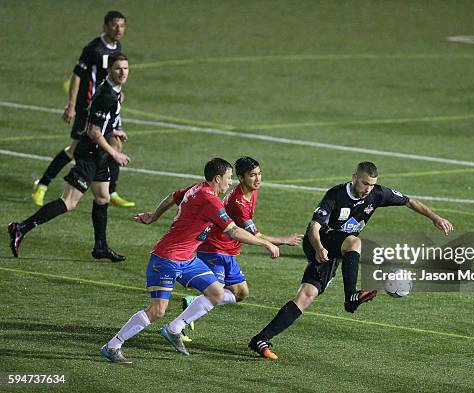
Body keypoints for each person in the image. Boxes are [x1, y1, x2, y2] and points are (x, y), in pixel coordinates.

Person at [248, 161, 454, 360]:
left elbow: (409, 200)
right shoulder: (336, 194)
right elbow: (314, 227)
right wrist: (319, 248)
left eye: (371, 185)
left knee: (306, 295)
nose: (368, 189)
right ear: (354, 177)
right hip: (318, 241)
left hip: (336, 250)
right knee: (355, 243)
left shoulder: (377, 194)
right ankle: (351, 296)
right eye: (364, 183)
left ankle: (260, 339)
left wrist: (435, 218)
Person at [100, 158, 280, 364]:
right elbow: (233, 231)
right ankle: (112, 346)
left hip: (187, 259)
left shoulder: (196, 188)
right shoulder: (209, 200)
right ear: (217, 178)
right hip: (166, 259)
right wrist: (265, 243)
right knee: (157, 311)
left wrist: (153, 216)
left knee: (216, 292)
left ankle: (174, 328)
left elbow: (172, 197)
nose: (229, 184)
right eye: (228, 179)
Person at [8, 53, 131, 262]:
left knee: (103, 197)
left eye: (126, 68)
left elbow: (103, 124)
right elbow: (93, 131)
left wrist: (114, 131)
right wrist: (115, 153)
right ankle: (20, 228)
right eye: (118, 68)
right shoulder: (106, 95)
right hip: (90, 153)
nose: (123, 72)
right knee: (69, 202)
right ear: (109, 69)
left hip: (98, 153)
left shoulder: (115, 91)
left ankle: (100, 246)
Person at [179, 156, 303, 341]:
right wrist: (282, 240)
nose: (258, 178)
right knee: (216, 293)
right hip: (214, 249)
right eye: (253, 175)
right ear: (241, 177)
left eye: (260, 174)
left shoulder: (252, 192)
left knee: (241, 293)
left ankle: (195, 302)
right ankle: (179, 326)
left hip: (228, 251)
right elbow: (256, 235)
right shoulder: (238, 203)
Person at [31, 10, 135, 208]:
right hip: (89, 107)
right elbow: (77, 75)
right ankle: (42, 184)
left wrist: (118, 95)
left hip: (107, 105)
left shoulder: (117, 47)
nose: (118, 29)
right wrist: (71, 105)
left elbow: (112, 76)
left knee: (117, 144)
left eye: (122, 25)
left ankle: (111, 191)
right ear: (105, 26)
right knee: (74, 149)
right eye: (114, 25)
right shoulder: (94, 48)